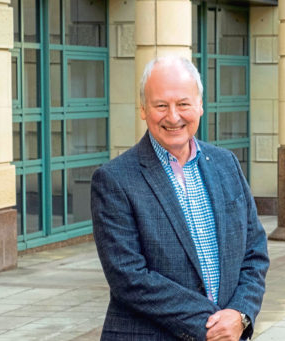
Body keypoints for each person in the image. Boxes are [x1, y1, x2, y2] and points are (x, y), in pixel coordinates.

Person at [91, 55, 269, 341]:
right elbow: (129, 277)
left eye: (183, 104)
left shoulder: (227, 164)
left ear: (200, 105)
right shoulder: (114, 179)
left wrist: (240, 314)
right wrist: (214, 326)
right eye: (161, 105)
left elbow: (254, 251)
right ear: (143, 109)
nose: (173, 117)